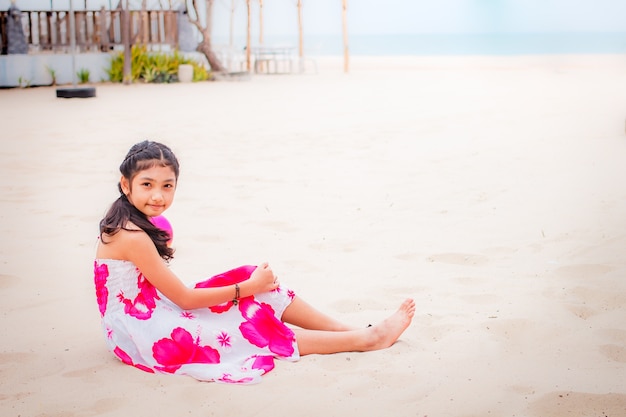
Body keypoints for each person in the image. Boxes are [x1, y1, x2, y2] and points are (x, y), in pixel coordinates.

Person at [94, 140, 415, 384]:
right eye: (147, 185)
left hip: (154, 307)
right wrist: (247, 288)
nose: (158, 196)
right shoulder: (132, 236)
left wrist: (249, 285)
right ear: (126, 184)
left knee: (250, 280)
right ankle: (365, 339)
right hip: (140, 331)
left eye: (167, 186)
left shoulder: (132, 219)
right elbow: (185, 299)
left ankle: (348, 329)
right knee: (243, 325)